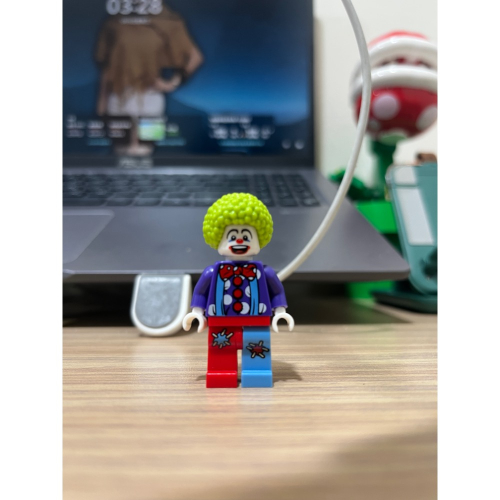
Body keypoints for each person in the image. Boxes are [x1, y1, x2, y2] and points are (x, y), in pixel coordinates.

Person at [183, 193, 294, 388]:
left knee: (257, 348)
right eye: (233, 236)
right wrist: (197, 313)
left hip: (257, 319)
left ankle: (257, 374)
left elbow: (277, 292)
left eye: (246, 236)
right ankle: (221, 374)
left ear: (259, 238)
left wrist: (280, 312)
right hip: (221, 319)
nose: (240, 241)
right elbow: (200, 293)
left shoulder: (265, 272)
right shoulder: (212, 272)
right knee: (221, 350)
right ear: (219, 238)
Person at [95, 3, 203, 155]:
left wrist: (172, 83)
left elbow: (195, 57)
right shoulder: (114, 22)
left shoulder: (167, 21)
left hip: (150, 99)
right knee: (121, 154)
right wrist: (102, 105)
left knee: (146, 153)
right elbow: (107, 67)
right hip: (118, 97)